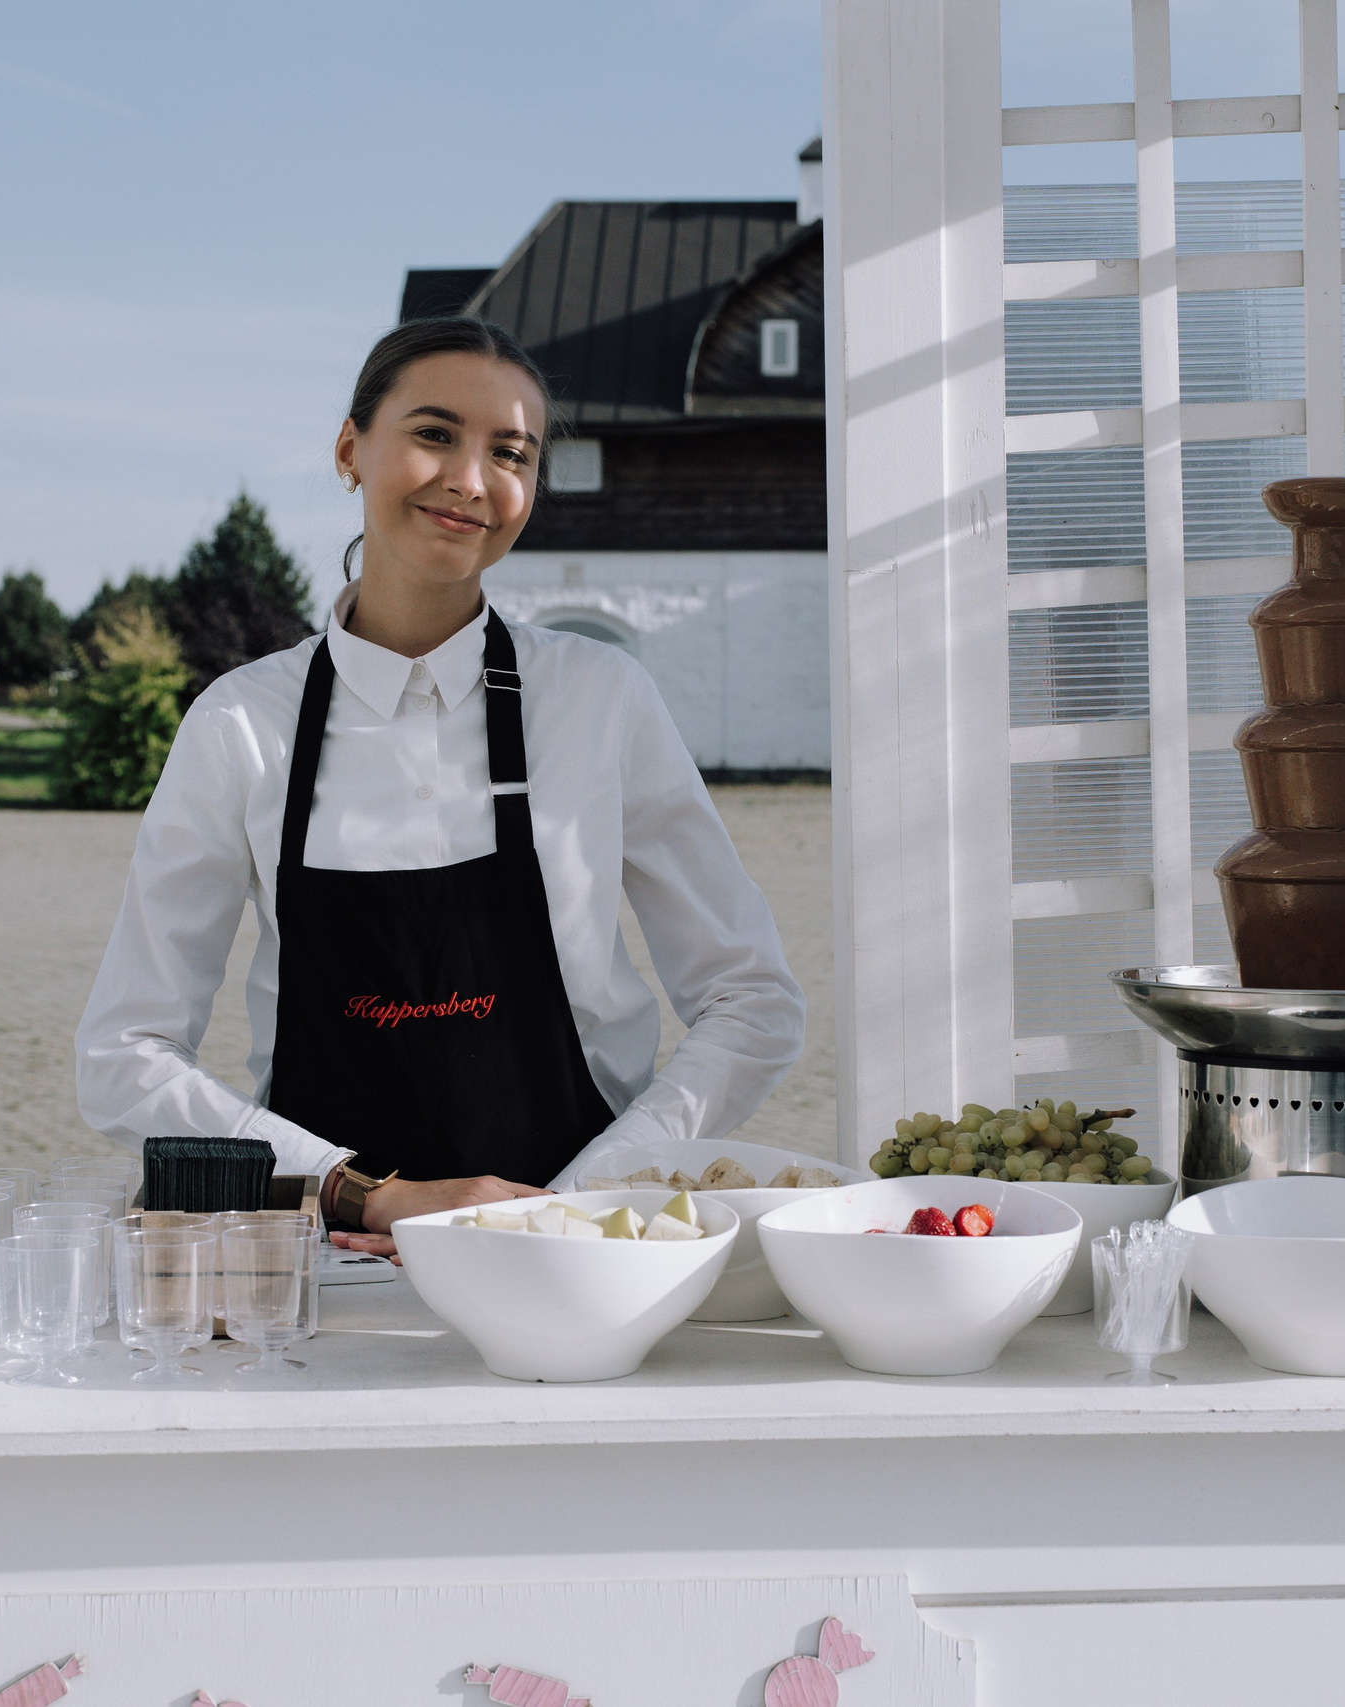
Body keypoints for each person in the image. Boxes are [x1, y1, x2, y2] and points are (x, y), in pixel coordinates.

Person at [75, 317, 806, 1254]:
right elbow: (120, 1056)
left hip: (584, 1258)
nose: (471, 479)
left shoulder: (600, 699)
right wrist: (354, 1192)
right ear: (351, 449)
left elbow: (753, 1000)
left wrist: (585, 1194)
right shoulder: (239, 726)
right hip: (321, 1270)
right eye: (433, 434)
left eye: (511, 452)